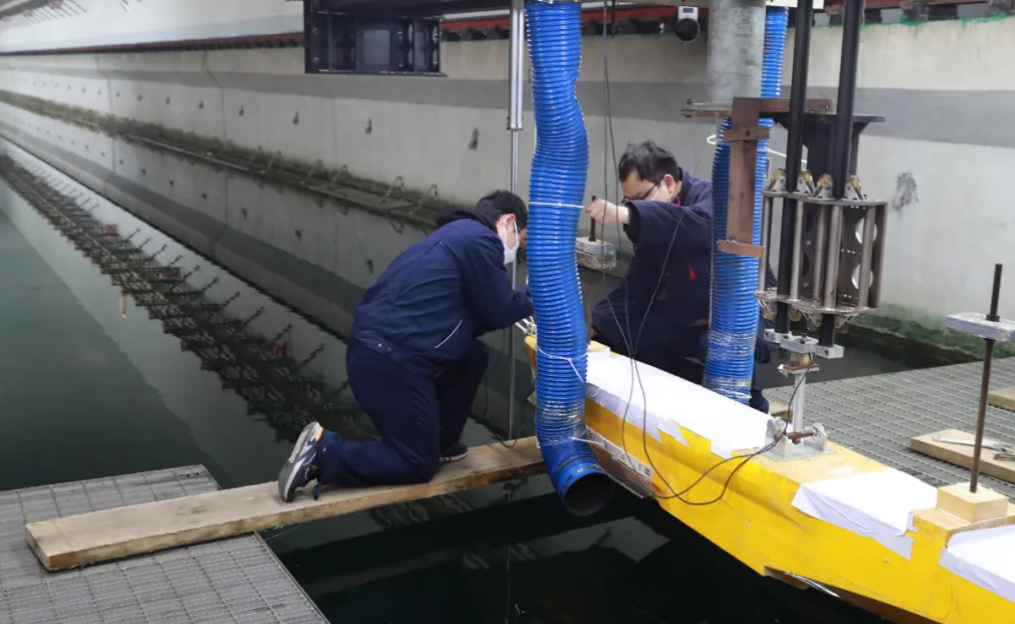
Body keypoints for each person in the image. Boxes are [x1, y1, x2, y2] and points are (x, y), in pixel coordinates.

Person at [277, 190, 533, 502]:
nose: (517, 248)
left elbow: (480, 317)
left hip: (375, 352)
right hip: (392, 361)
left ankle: (440, 443)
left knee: (474, 356)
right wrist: (539, 290)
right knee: (416, 463)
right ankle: (325, 452)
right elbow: (501, 310)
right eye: (521, 238)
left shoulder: (455, 237)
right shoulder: (481, 240)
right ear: (508, 222)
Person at [585, 140, 775, 411]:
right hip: (691, 315)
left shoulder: (712, 201)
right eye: (629, 200)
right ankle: (690, 396)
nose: (634, 206)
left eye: (640, 198)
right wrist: (599, 326)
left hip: (746, 315)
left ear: (668, 183)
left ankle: (753, 410)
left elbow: (696, 226)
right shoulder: (655, 223)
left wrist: (627, 214)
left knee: (718, 344)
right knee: (627, 335)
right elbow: (640, 283)